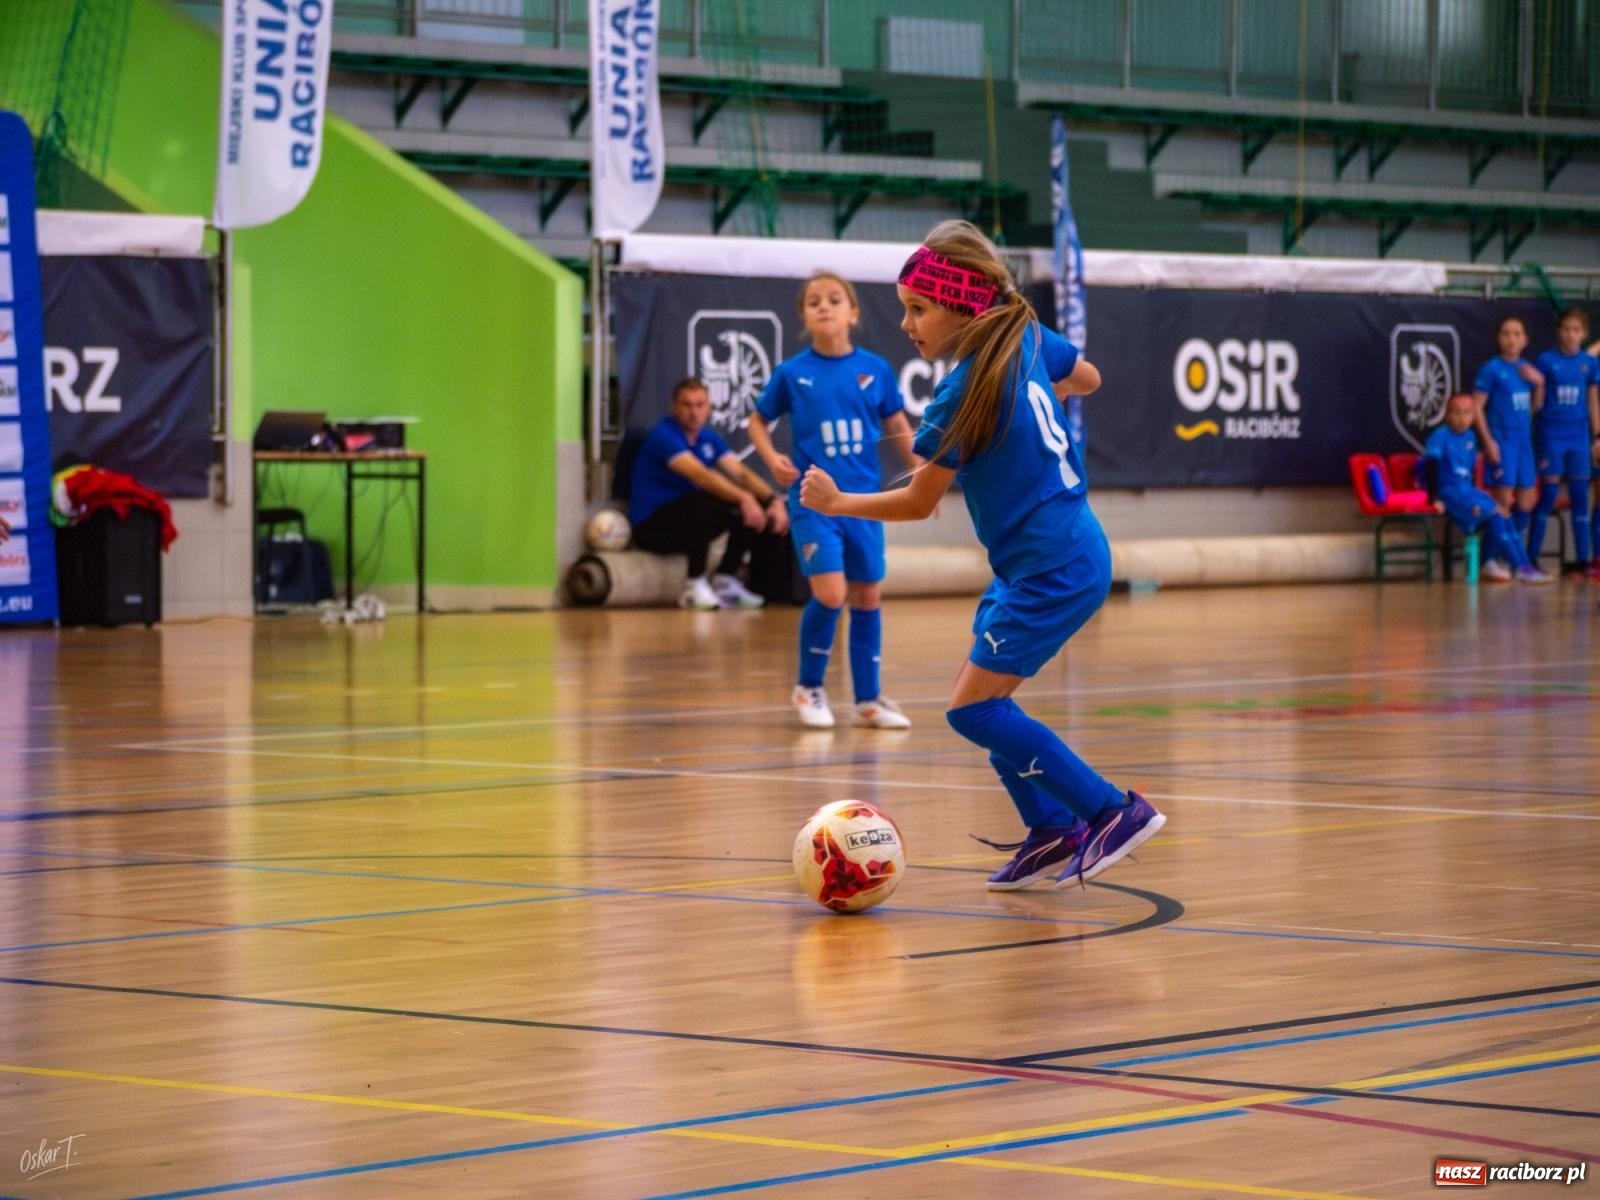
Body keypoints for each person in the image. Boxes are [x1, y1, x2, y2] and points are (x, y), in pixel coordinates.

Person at [800, 220, 1163, 891]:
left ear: (964, 306)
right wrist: (1037, 410)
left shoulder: (962, 391)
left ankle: (1114, 810)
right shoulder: (1023, 338)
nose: (907, 323)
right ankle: (1052, 830)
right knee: (984, 701)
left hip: (1052, 566)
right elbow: (1088, 376)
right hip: (1056, 554)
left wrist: (834, 501)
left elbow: (917, 502)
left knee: (973, 709)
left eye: (919, 309)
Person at [748, 271, 918, 730]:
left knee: (867, 594)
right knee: (831, 592)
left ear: (853, 313)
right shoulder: (792, 373)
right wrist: (772, 458)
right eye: (814, 301)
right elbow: (756, 422)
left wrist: (924, 477)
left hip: (863, 503)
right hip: (814, 501)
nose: (824, 306)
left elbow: (897, 426)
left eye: (834, 299)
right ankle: (809, 687)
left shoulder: (875, 370)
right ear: (804, 315)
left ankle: (867, 699)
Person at [628, 377, 788, 610]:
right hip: (650, 526)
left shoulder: (709, 438)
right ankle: (693, 585)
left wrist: (772, 500)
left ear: (709, 408)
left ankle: (726, 580)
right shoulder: (664, 436)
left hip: (686, 521)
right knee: (708, 500)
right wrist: (745, 498)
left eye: (700, 405)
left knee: (752, 507)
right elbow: (700, 476)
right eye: (687, 405)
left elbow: (741, 473)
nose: (694, 412)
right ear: (673, 408)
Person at [1424, 393, 1547, 584]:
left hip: (1468, 491)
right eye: (1456, 412)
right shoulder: (1441, 436)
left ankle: (1521, 564)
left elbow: (1471, 473)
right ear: (1447, 415)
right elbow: (1430, 468)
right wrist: (1435, 498)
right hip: (1451, 493)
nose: (1462, 418)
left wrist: (1479, 495)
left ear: (1473, 416)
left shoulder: (1471, 437)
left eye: (1467, 413)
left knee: (1504, 513)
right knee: (1495, 514)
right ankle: (1519, 567)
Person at [1472, 316, 1548, 578]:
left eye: (1517, 334)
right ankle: (1489, 560)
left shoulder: (1527, 369)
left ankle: (1509, 556)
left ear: (1525, 340)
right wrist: (1488, 441)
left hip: (1524, 442)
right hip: (1503, 442)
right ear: (1498, 338)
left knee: (1526, 501)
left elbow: (1536, 407)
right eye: (1506, 333)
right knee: (1502, 501)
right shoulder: (1491, 369)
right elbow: (1476, 407)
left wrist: (1540, 384)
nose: (1511, 339)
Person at [1530, 309, 1600, 579]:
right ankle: (1531, 558)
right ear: (1559, 332)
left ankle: (1583, 560)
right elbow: (1539, 397)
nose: (1571, 334)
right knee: (1548, 495)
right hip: (1552, 435)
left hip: (1579, 437)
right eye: (1566, 329)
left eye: (1576, 330)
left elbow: (1592, 401)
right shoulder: (1546, 360)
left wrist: (1597, 436)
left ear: (1583, 334)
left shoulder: (1589, 363)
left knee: (1581, 496)